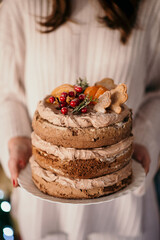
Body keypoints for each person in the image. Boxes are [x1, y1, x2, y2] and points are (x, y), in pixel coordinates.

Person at [0, 0, 159, 239]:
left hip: (124, 213)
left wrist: (145, 138)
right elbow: (8, 93)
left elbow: (157, 92)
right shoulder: (20, 4)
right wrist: (18, 140)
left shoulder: (151, 6)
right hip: (44, 211)